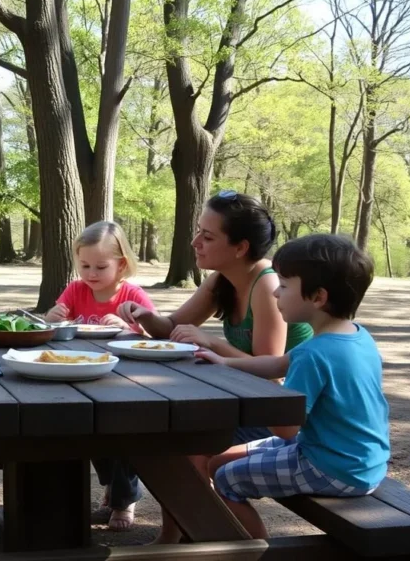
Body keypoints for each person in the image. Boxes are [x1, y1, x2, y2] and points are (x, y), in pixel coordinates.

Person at [116, 191, 312, 543]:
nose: (195, 242)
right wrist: (146, 315)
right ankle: (174, 537)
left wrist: (212, 343)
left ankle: (228, 542)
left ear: (240, 247)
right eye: (197, 232)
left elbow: (270, 372)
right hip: (240, 401)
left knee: (188, 449)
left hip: (279, 412)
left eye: (207, 237)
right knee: (168, 438)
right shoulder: (221, 279)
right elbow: (173, 325)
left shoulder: (266, 284)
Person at [196, 234, 389, 538]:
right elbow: (276, 364)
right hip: (361, 461)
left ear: (318, 297)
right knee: (220, 459)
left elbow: (285, 429)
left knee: (225, 478)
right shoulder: (353, 336)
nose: (275, 294)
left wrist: (255, 399)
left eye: (284, 286)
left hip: (330, 467)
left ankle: (255, 550)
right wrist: (225, 363)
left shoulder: (315, 355)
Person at [47, 220, 154, 531]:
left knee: (123, 434)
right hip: (85, 376)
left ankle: (125, 501)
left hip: (127, 379)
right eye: (84, 265)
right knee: (91, 433)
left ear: (121, 265)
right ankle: (111, 488)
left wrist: (130, 326)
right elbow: (56, 329)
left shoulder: (131, 295)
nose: (91, 274)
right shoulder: (76, 289)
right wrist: (51, 318)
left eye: (100, 266)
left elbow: (157, 331)